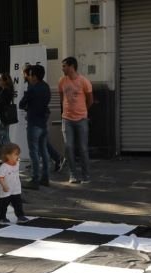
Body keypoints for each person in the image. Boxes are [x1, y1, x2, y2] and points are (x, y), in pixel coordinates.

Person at [59, 56, 93, 184]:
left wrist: (83, 111)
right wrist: (65, 111)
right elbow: (62, 97)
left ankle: (86, 175)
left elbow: (90, 99)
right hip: (67, 119)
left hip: (81, 119)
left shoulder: (83, 81)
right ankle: (73, 174)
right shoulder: (62, 81)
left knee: (83, 148)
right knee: (69, 147)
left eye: (64, 66)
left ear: (71, 66)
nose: (62, 68)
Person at [20, 65, 51, 189]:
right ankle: (45, 178)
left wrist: (29, 107)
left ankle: (35, 179)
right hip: (43, 122)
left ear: (35, 76)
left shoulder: (33, 89)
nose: (29, 77)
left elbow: (22, 104)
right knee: (44, 151)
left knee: (33, 152)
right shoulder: (46, 87)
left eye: (31, 74)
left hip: (34, 122)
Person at [0, 142, 29, 224]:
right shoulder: (4, 167)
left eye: (18, 154)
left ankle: (20, 216)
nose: (17, 156)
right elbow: (1, 178)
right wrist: (4, 186)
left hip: (16, 188)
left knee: (18, 203)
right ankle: (1, 217)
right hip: (6, 189)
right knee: (3, 204)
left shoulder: (17, 163)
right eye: (15, 154)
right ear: (7, 155)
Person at [0, 73, 15, 146]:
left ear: (4, 81)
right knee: (4, 135)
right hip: (3, 116)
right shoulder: (4, 90)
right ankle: (8, 152)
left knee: (3, 136)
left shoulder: (6, 91)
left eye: (0, 80)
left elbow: (2, 103)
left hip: (4, 116)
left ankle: (9, 152)